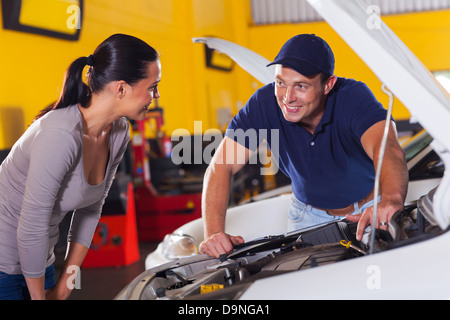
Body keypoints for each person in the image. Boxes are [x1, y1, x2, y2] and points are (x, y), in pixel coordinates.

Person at [199, 34, 408, 258]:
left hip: (367, 212)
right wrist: (213, 234)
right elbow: (220, 165)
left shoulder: (352, 98)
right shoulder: (263, 104)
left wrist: (391, 199)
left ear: (328, 85)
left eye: (301, 86)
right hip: (306, 218)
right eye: (280, 83)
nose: (288, 98)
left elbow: (386, 147)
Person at [0, 33, 161, 300]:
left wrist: (67, 283)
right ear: (121, 88)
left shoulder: (119, 131)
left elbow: (91, 210)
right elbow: (31, 225)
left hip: (39, 260)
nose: (156, 95)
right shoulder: (60, 134)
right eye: (153, 86)